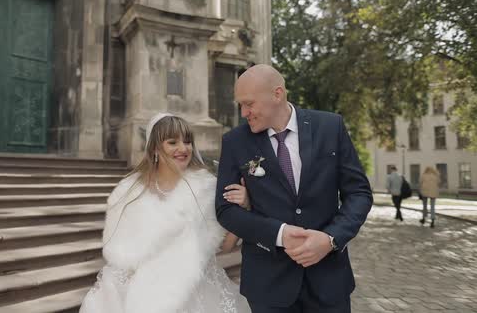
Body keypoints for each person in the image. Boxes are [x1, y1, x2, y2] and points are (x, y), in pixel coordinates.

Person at [215, 64, 373, 313]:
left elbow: (359, 194)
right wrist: (280, 234)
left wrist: (330, 239)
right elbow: (225, 210)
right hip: (268, 286)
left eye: (249, 104)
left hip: (329, 282)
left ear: (277, 94)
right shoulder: (235, 142)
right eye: (241, 105)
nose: (244, 112)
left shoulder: (331, 127)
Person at [80, 113, 251, 313]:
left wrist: (245, 208)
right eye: (172, 142)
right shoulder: (129, 191)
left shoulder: (206, 188)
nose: (183, 148)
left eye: (187, 142)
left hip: (195, 291)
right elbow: (121, 252)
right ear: (155, 149)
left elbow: (225, 245)